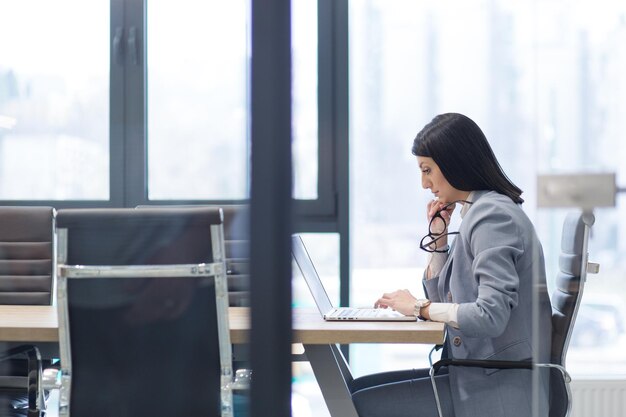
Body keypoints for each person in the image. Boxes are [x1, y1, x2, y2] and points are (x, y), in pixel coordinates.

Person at [350, 113, 552, 417]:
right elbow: (449, 294)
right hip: (476, 375)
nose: (424, 183)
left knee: (357, 403)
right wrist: (439, 241)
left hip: (494, 386)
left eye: (427, 170)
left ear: (455, 162)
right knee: (354, 393)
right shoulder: (477, 211)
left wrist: (419, 307)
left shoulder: (491, 217)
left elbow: (490, 315)